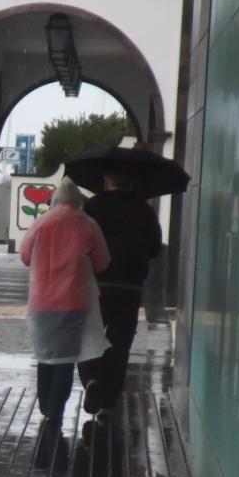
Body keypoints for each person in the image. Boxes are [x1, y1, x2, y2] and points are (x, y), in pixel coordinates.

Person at [20, 177, 111, 423]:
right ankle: (55, 407)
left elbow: (26, 256)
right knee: (65, 358)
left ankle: (44, 401)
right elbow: (103, 262)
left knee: (45, 354)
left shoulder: (41, 223)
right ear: (78, 201)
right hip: (74, 301)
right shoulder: (87, 224)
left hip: (41, 301)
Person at [78, 168, 162, 422]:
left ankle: (92, 378)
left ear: (106, 180)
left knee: (88, 336)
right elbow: (155, 248)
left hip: (95, 283)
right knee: (120, 342)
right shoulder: (144, 209)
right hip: (129, 286)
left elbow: (80, 241)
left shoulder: (92, 206)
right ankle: (109, 400)